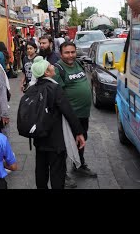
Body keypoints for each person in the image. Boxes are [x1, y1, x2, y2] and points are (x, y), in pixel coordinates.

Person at [29, 56, 85, 189]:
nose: (53, 66)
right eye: (50, 66)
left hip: (39, 136)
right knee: (57, 172)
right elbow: (68, 112)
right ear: (46, 73)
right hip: (55, 139)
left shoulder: (32, 89)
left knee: (41, 169)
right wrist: (79, 132)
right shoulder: (55, 88)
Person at [53, 42, 95, 188]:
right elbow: (59, 96)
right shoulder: (58, 69)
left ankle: (79, 165)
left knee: (82, 139)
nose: (70, 55)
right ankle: (62, 174)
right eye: (67, 53)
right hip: (70, 115)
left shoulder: (78, 63)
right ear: (60, 53)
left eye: (72, 52)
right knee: (65, 145)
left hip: (84, 113)